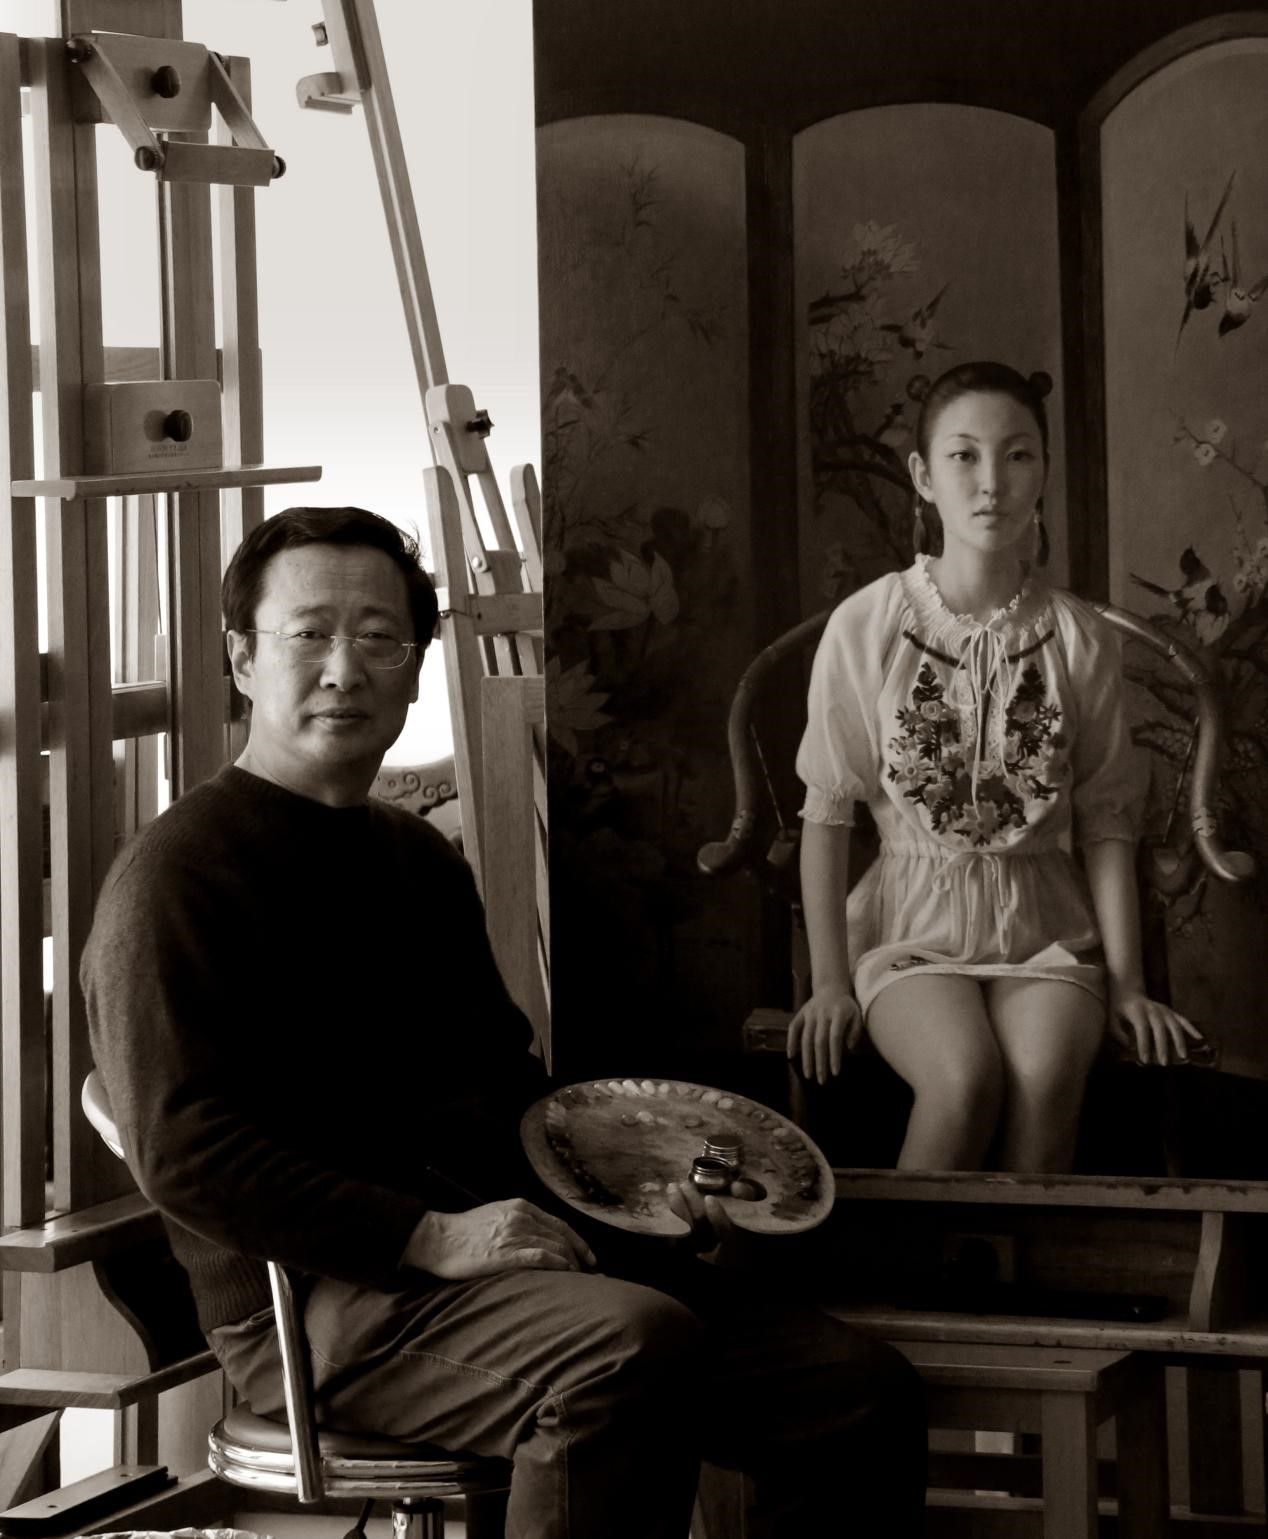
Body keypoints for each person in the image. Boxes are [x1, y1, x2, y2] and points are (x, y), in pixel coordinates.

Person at [81, 508, 926, 1539]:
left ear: (414, 669)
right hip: (317, 1304)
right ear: (242, 660)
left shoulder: (415, 861)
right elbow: (185, 1151)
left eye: (379, 637)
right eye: (308, 634)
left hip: (488, 1258)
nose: (344, 669)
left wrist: (640, 1191)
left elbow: (500, 1088)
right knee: (621, 1348)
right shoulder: (177, 877)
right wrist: (425, 1235)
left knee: (854, 1389)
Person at [788, 363, 1201, 1174]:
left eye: (1017, 456)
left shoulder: (1078, 638)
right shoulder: (868, 623)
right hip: (910, 931)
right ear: (923, 475)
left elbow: (1108, 824)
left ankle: (1016, 1261)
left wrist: (1127, 984)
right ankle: (908, 1260)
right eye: (964, 456)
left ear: (1042, 471)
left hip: (1046, 931)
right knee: (964, 1078)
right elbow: (828, 812)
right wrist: (829, 981)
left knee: (1045, 1076)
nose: (991, 483)